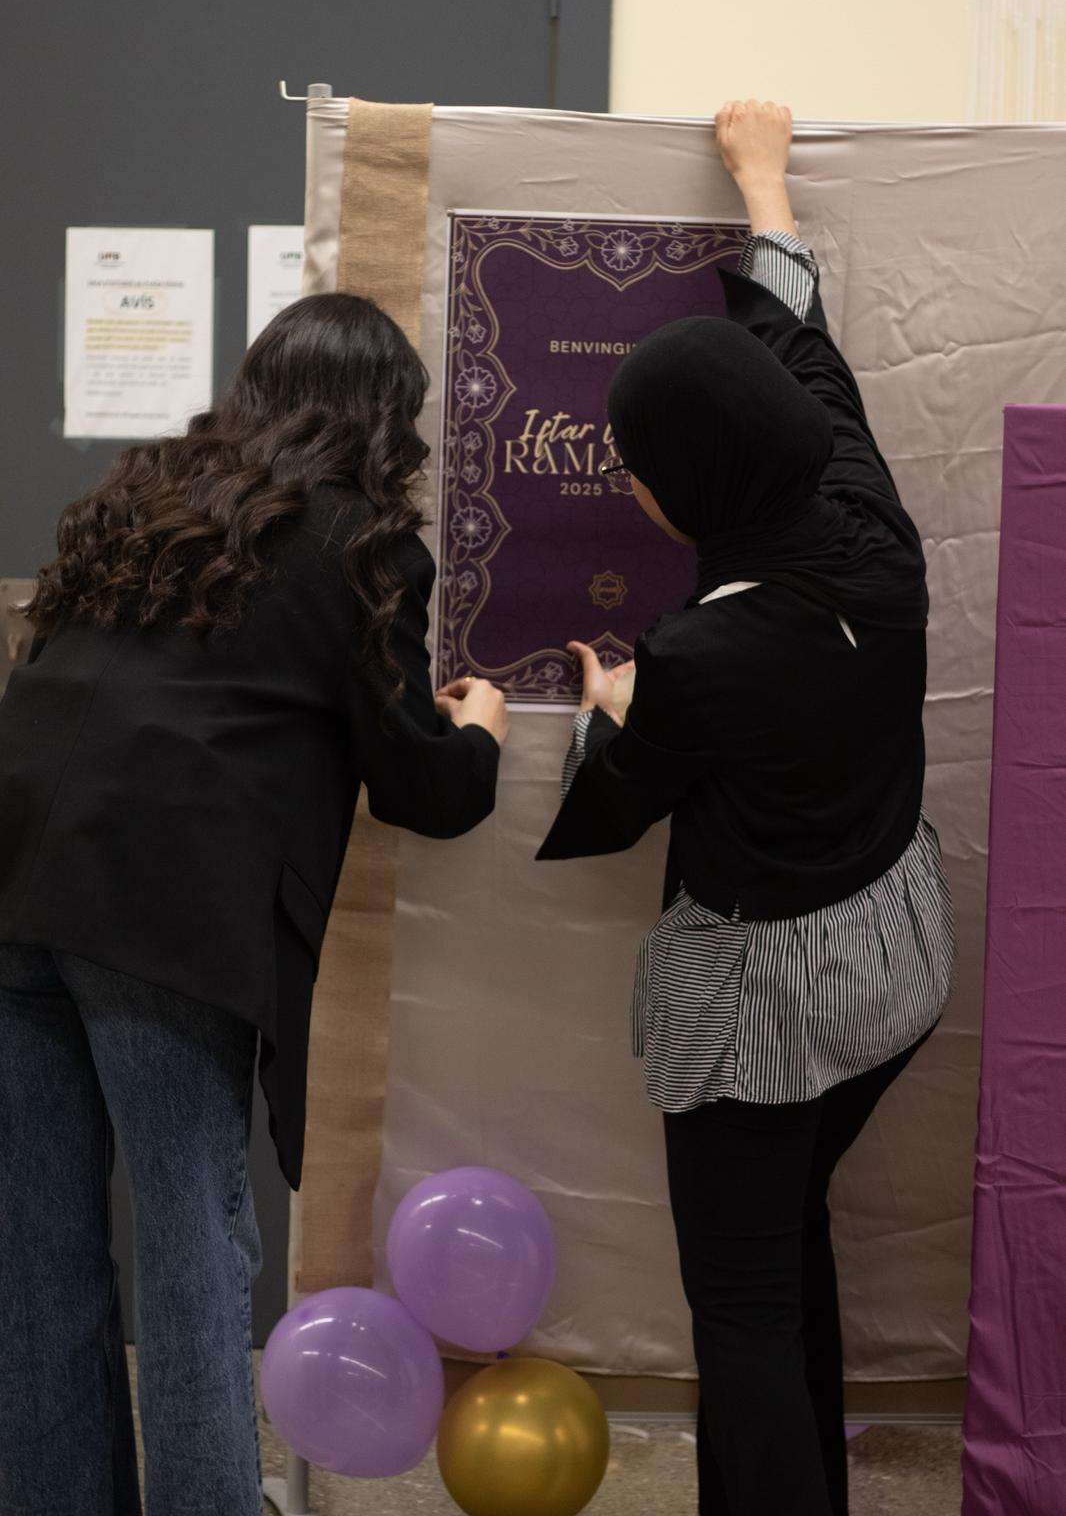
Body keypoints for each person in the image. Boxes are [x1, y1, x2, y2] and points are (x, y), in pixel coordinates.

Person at [0, 293, 507, 1515]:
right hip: (160, 910)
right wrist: (480, 727)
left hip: (17, 873)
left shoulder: (143, 497)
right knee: (192, 1252)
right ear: (385, 419)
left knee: (37, 1249)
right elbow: (421, 785)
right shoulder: (360, 541)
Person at [538, 100, 954, 1516]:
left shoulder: (700, 656)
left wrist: (606, 711)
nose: (625, 483)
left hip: (760, 1016)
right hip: (891, 966)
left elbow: (609, 810)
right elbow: (800, 347)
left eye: (636, 467)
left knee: (740, 1306)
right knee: (781, 1246)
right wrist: (762, 185)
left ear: (693, 485)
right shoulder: (868, 522)